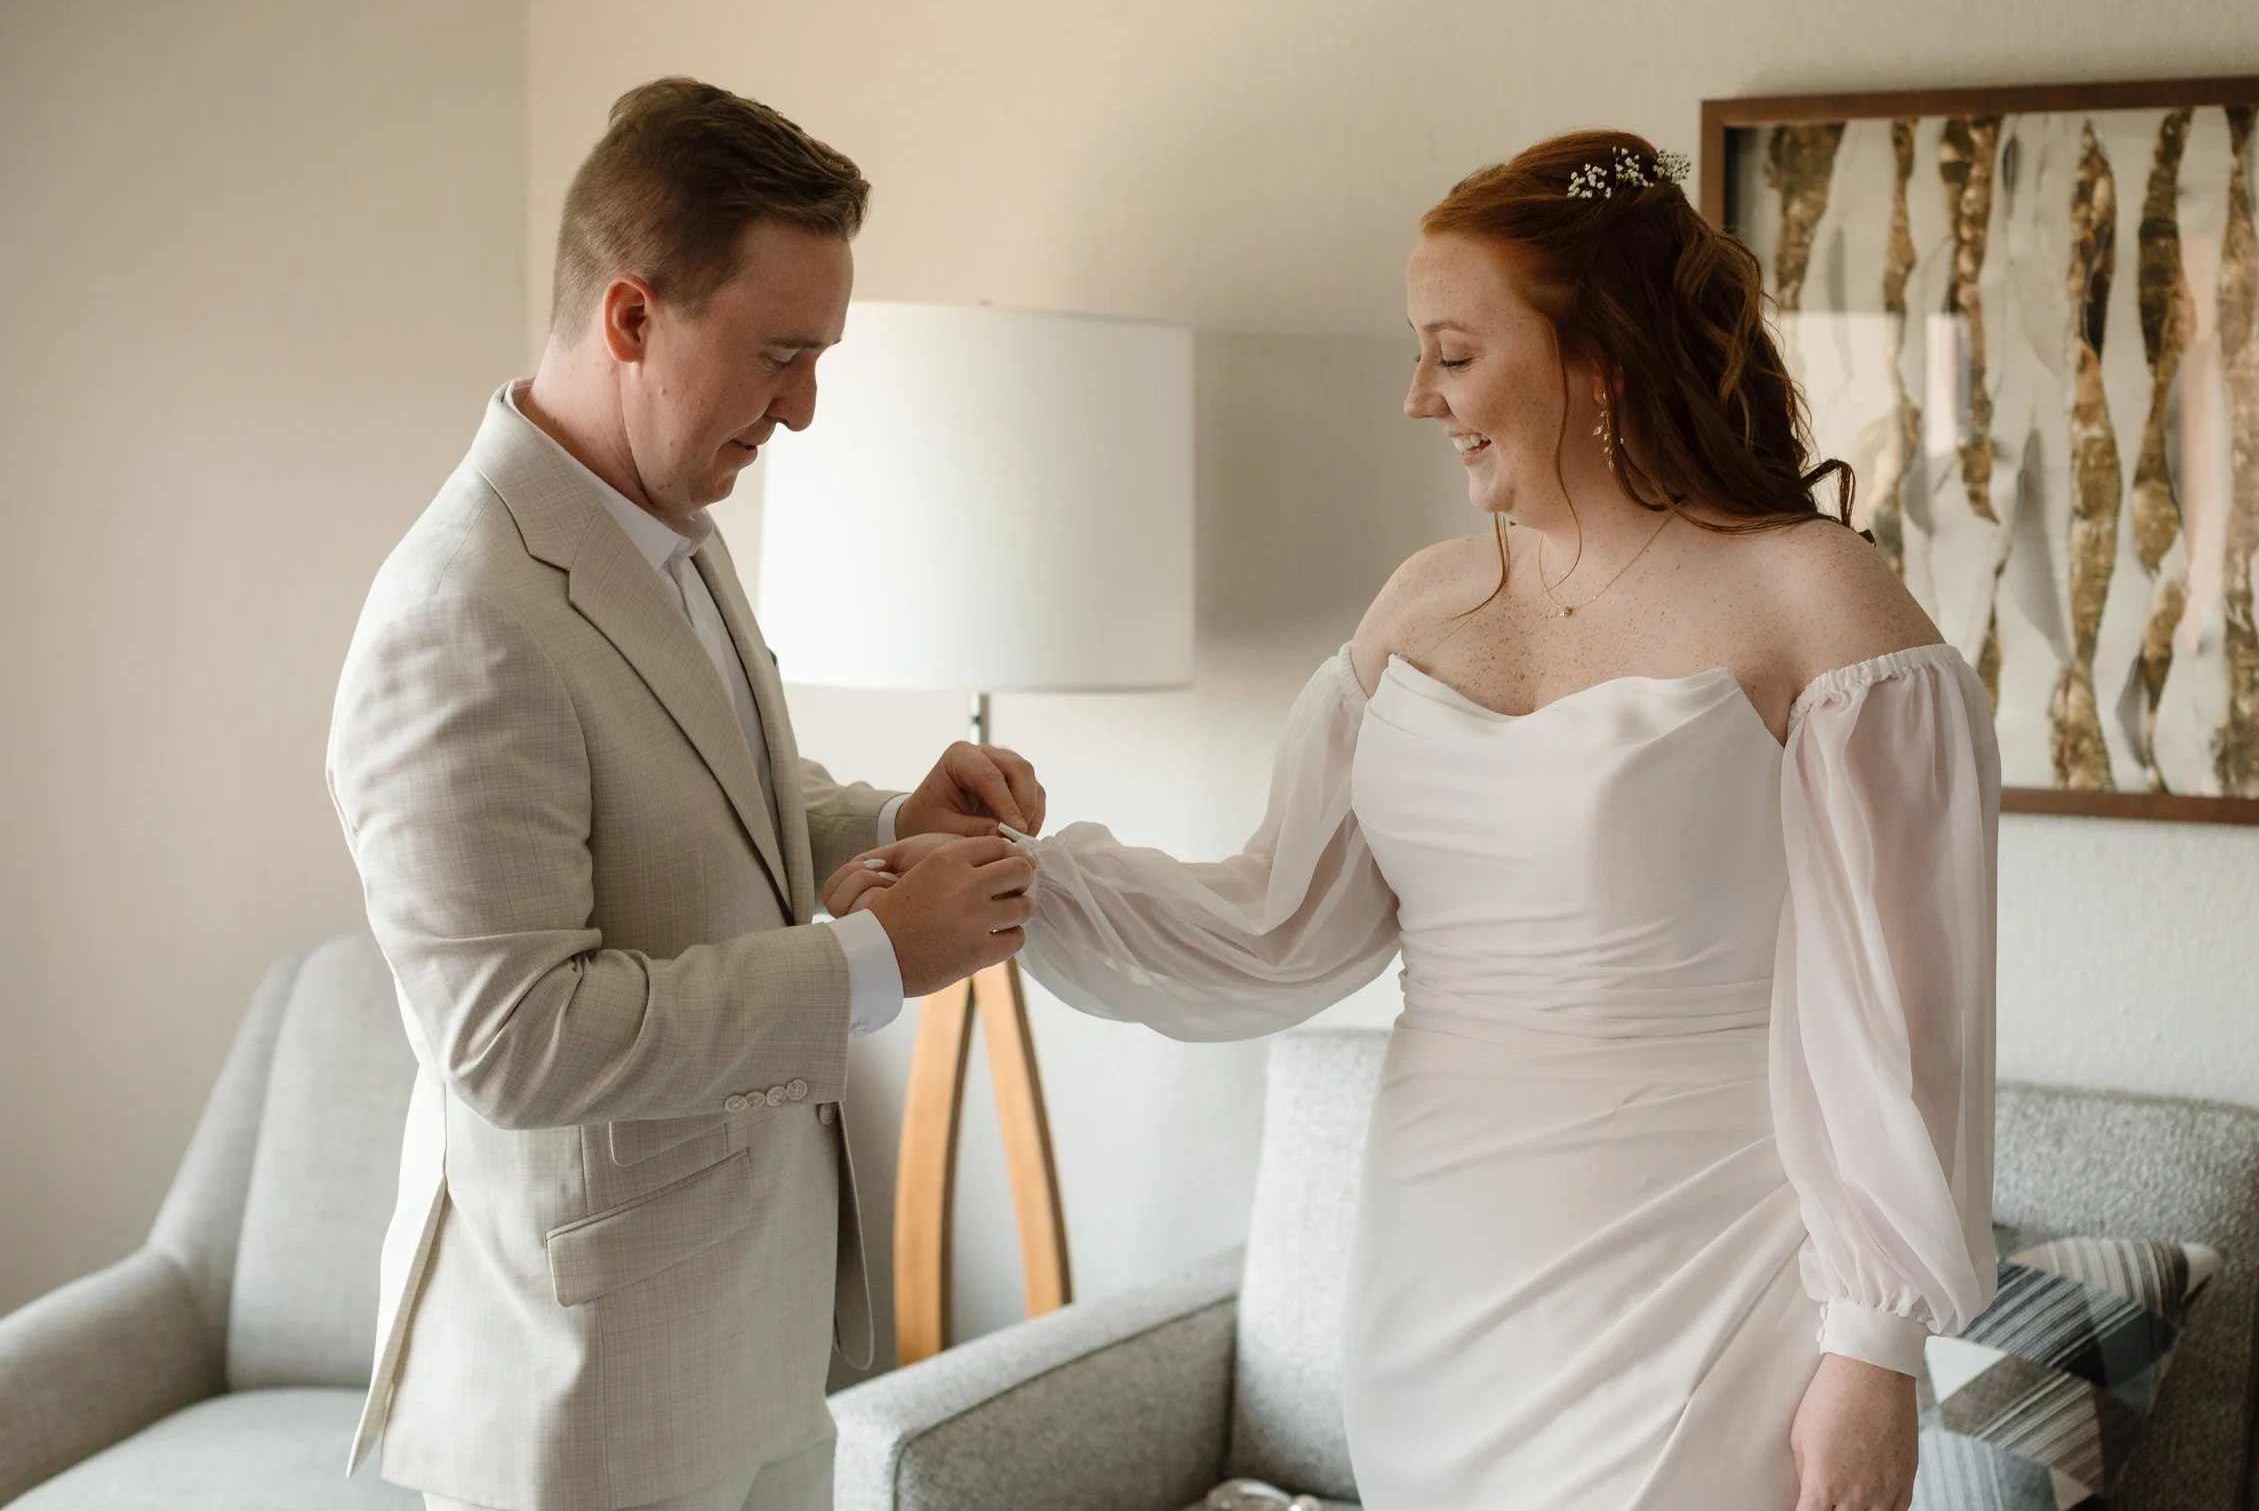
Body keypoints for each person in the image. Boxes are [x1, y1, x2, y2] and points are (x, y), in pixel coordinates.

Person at [840, 131, 1999, 1511]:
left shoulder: (1816, 602)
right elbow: (1274, 918)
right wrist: (1007, 883)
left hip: (1707, 1284)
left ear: (1600, 356)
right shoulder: (1424, 604)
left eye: (1453, 353)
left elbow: (1908, 1018)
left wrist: (1873, 1349)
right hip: (1436, 1286)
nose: (1417, 397)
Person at [327, 77, 1043, 1511]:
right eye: (781, 355)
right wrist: (872, 962)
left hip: (756, 1336)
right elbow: (516, 1041)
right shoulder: (457, 616)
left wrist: (889, 821)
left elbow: (719, 796)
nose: (805, 410)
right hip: (588, 1396)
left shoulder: (674, 521)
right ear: (632, 318)